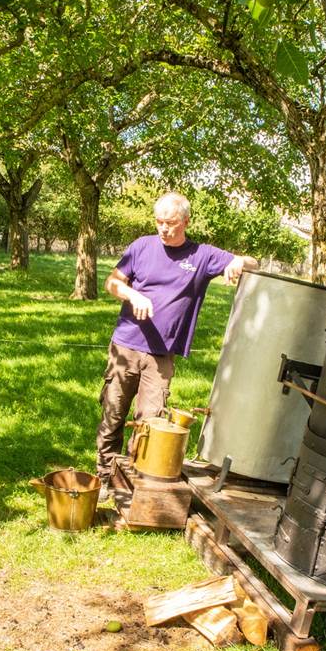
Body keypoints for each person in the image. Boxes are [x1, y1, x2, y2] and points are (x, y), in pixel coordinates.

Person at [95, 191, 257, 491]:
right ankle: (105, 477)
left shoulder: (202, 256)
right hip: (126, 346)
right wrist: (133, 294)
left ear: (185, 221)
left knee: (150, 422)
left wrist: (237, 261)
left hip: (162, 356)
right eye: (159, 222)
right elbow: (112, 282)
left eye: (170, 223)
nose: (164, 229)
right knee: (113, 413)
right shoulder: (142, 246)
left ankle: (131, 482)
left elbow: (252, 263)